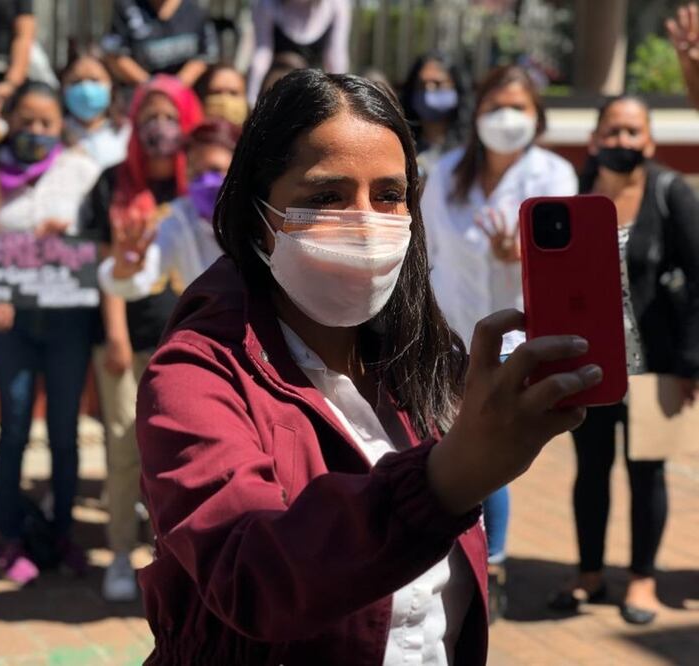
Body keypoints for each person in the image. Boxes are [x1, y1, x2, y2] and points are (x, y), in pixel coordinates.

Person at [135, 68, 604, 664]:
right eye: (326, 196)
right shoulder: (195, 374)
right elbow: (250, 574)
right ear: (259, 215)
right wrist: (446, 479)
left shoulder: (423, 361)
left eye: (388, 195)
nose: (365, 221)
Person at [421, 65, 578, 622]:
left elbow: (566, 266)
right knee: (444, 445)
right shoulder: (443, 175)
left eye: (519, 107)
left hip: (514, 340)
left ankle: (493, 563)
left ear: (537, 115)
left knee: (488, 450)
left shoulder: (554, 175)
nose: (506, 118)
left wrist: (522, 257)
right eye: (495, 106)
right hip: (445, 337)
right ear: (477, 111)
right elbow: (429, 251)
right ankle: (454, 559)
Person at [547, 95, 699, 626]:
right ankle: (589, 573)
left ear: (650, 141)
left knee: (647, 472)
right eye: (612, 132)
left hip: (657, 364)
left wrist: (689, 363)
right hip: (592, 362)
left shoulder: (669, 191)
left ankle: (643, 579)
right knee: (591, 469)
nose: (622, 142)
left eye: (633, 132)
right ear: (595, 139)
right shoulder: (574, 192)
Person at [79, 75, 202, 602]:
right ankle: (121, 555)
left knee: (180, 453)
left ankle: (172, 553)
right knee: (125, 445)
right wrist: (114, 336)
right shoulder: (113, 182)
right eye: (149, 116)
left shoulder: (198, 183)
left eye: (170, 116)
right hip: (126, 339)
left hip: (191, 341)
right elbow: (108, 261)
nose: (160, 127)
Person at [0, 81, 101, 585]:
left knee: (65, 430)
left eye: (46, 122)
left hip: (68, 317)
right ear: (9, 119)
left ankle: (62, 532)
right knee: (14, 424)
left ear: (60, 125)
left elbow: (100, 237)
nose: (35, 131)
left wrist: (66, 238)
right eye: (26, 120)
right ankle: (10, 537)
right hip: (11, 323)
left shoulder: (82, 170)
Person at [100, 118, 239, 303]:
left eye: (215, 170)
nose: (205, 181)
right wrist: (124, 269)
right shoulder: (179, 217)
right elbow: (143, 273)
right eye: (195, 174)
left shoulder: (267, 214)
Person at [246, 0, 352, 103]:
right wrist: (251, 99)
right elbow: (262, 53)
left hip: (312, 85)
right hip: (275, 80)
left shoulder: (337, 5)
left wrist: (341, 96)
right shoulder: (267, 4)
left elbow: (335, 58)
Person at [103, 0, 219, 87]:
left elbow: (205, 56)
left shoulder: (195, 9)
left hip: (186, 97)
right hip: (141, 97)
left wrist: (177, 86)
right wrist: (150, 85)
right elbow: (115, 55)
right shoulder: (127, 6)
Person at [399, 50, 470, 176]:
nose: (429, 90)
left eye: (438, 84)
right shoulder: (400, 145)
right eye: (422, 85)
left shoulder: (469, 148)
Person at [61, 48, 129, 171]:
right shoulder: (55, 134)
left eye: (94, 80)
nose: (86, 88)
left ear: (111, 85)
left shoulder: (126, 132)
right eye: (76, 81)